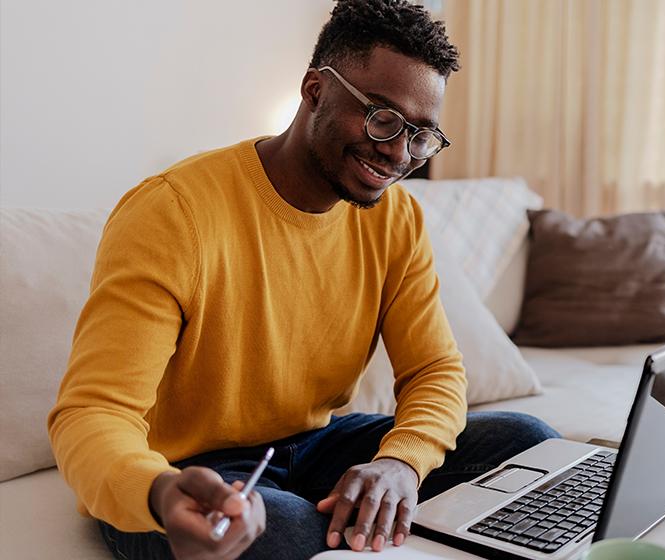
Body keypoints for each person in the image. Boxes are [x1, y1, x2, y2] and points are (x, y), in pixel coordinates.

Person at [47, 1, 558, 558]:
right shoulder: (174, 212)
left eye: (420, 135)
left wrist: (400, 462)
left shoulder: (397, 218)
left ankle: (368, 524)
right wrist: (158, 492)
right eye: (381, 118)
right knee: (279, 530)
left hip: (312, 447)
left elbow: (434, 370)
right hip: (179, 477)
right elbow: (92, 414)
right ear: (315, 89)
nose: (396, 152)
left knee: (529, 445)